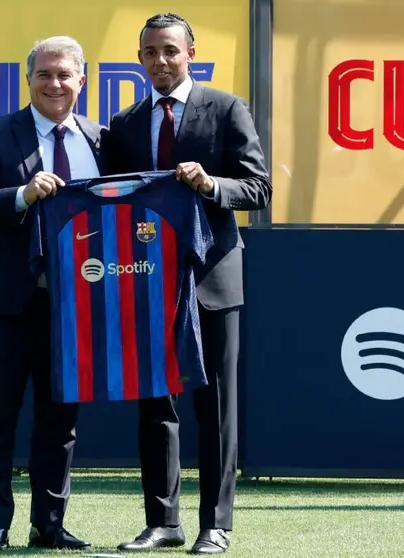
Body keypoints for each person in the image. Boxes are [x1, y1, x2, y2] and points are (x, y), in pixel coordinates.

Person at [103, 13, 271, 555]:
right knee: (156, 404)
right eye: (150, 52)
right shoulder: (124, 123)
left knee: (215, 407)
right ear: (140, 58)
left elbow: (258, 188)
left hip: (212, 279)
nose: (160, 61)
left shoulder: (226, 108)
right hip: (146, 279)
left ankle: (216, 524)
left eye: (170, 51)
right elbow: (110, 201)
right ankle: (163, 522)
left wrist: (210, 184)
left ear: (191, 53)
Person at [0, 35, 105, 553]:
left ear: (82, 80)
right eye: (44, 74)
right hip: (8, 303)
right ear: (28, 80)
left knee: (60, 422)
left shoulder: (101, 138)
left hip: (76, 307)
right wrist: (23, 194)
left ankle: (50, 524)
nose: (55, 84)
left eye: (65, 74)